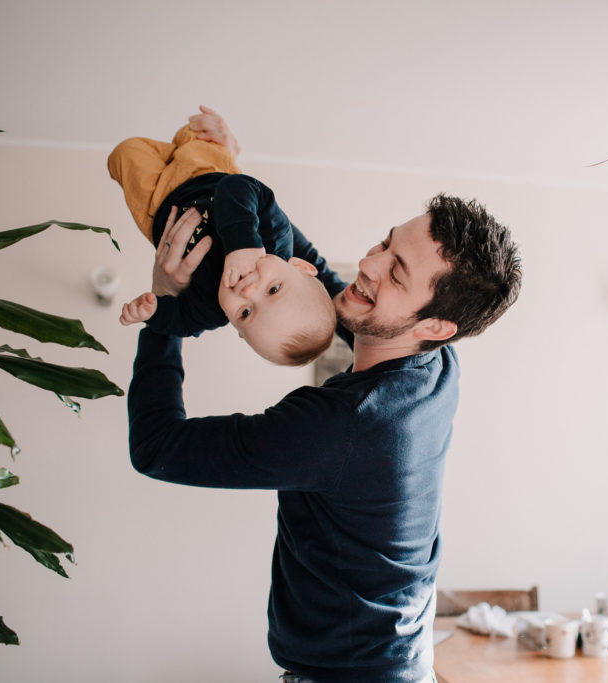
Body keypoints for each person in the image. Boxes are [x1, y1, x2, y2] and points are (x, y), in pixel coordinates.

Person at [126, 107, 522, 683]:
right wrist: (232, 188)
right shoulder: (435, 366)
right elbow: (304, 271)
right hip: (405, 664)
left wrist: (164, 311)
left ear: (435, 326)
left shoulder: (337, 427)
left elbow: (158, 447)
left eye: (396, 272)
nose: (367, 264)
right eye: (386, 244)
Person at [108, 112, 336, 366]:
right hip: (210, 170)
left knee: (124, 153)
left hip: (157, 203)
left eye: (246, 313)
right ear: (300, 266)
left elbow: (181, 322)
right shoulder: (275, 237)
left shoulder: (211, 309)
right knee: (193, 132)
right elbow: (241, 186)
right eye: (273, 289)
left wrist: (152, 311)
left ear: (238, 330)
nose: (248, 290)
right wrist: (243, 244)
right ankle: (186, 145)